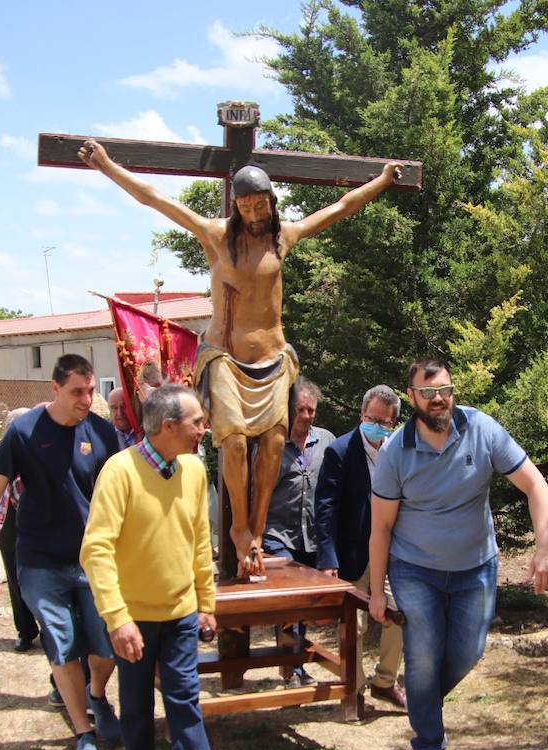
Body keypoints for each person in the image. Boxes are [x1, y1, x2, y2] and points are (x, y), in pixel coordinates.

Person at [79, 138, 403, 578]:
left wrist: (382, 180)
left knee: (272, 443)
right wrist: (107, 166)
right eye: (246, 205)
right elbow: (155, 199)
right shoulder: (215, 236)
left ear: (271, 202)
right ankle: (238, 529)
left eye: (260, 204)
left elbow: (340, 207)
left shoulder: (283, 238)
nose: (253, 212)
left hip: (272, 359)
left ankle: (257, 523)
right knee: (232, 441)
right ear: (237, 206)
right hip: (226, 357)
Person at [368, 357, 548, 750]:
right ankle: (427, 746)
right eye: (428, 393)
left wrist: (544, 549)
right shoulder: (396, 452)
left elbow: (535, 484)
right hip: (414, 568)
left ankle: (424, 705)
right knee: (424, 654)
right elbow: (380, 527)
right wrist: (378, 591)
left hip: (476, 566)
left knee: (469, 651)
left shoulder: (482, 430)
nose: (438, 400)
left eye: (445, 392)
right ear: (412, 397)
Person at [81, 384, 242, 750]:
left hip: (180, 614)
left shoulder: (192, 468)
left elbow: (197, 541)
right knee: (135, 703)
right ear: (168, 427)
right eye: (196, 422)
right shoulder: (120, 472)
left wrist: (205, 603)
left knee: (185, 703)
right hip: (133, 618)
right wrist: (117, 618)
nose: (203, 430)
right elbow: (95, 550)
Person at [0, 354, 122, 750]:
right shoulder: (23, 433)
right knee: (62, 644)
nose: (86, 399)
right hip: (39, 561)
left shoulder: (102, 433)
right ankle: (83, 733)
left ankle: (97, 695)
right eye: (77, 391)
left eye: (91, 391)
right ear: (54, 390)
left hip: (94, 561)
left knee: (106, 645)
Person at [315, 384, 407, 710]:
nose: (377, 426)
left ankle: (385, 681)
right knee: (353, 626)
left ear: (393, 423)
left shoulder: (399, 452)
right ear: (361, 414)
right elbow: (325, 509)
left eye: (384, 422)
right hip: (351, 554)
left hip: (391, 553)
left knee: (398, 614)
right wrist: (328, 558)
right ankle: (353, 687)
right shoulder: (339, 451)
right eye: (372, 418)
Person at [262, 377, 333, 687]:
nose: (306, 416)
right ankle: (292, 668)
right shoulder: (272, 444)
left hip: (314, 537)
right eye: (301, 410)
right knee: (291, 601)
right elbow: (257, 492)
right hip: (279, 535)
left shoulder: (327, 440)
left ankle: (294, 662)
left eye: (311, 411)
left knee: (305, 604)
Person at [0, 408, 40, 653]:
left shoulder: (39, 454)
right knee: (16, 585)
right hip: (9, 533)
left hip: (36, 532)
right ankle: (25, 631)